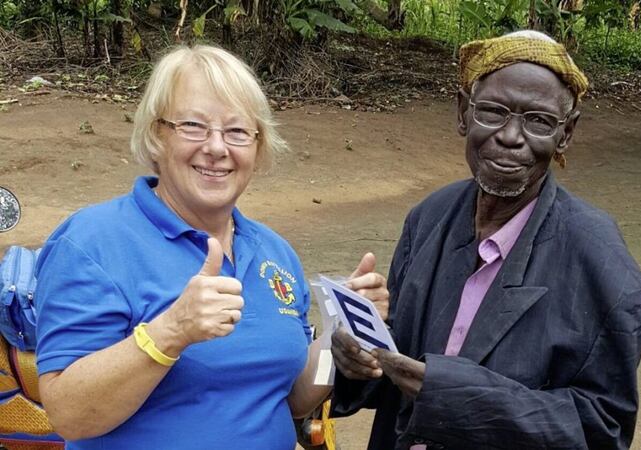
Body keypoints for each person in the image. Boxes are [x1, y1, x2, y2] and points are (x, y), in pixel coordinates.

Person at [34, 45, 387, 449]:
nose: (217, 148)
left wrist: (339, 336)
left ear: (258, 147)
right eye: (193, 126)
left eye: (237, 131)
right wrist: (170, 333)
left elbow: (292, 401)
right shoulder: (92, 242)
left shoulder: (275, 253)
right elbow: (70, 416)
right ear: (155, 136)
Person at [330, 30, 641, 449]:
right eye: (493, 111)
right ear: (464, 112)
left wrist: (447, 393)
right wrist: (357, 354)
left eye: (538, 121)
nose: (510, 136)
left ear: (567, 134)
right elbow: (397, 370)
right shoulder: (430, 217)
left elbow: (601, 428)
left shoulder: (600, 261)